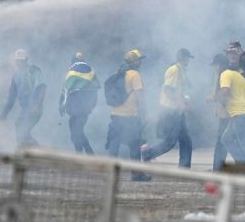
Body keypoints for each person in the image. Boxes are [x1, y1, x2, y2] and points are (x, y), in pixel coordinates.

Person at [142, 49, 194, 169]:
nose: (188, 61)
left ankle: (184, 167)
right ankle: (146, 155)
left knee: (186, 140)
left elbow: (178, 90)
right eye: (187, 58)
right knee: (170, 142)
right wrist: (180, 104)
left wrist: (184, 102)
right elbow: (168, 89)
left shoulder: (180, 71)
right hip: (171, 110)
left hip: (177, 111)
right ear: (183, 58)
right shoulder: (174, 70)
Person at [106, 49, 150, 181]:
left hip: (115, 114)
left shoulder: (118, 72)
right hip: (130, 115)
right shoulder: (135, 75)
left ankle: (110, 173)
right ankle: (137, 174)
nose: (140, 62)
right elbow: (140, 96)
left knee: (115, 143)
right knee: (134, 145)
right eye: (139, 59)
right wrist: (145, 113)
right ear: (134, 61)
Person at [1, 49, 46, 146]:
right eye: (18, 60)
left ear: (26, 60)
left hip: (34, 109)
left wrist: (37, 106)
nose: (20, 62)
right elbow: (11, 97)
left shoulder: (34, 71)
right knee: (19, 129)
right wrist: (4, 113)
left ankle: (36, 150)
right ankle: (25, 152)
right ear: (16, 61)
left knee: (22, 132)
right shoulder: (16, 75)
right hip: (25, 110)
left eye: (22, 60)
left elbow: (42, 88)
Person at [59, 52, 100, 154]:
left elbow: (66, 89)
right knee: (77, 131)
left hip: (76, 107)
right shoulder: (91, 71)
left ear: (73, 61)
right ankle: (87, 153)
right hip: (85, 108)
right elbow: (96, 89)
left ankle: (82, 154)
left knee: (75, 133)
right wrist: (92, 106)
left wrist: (61, 105)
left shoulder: (72, 71)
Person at [208, 54, 231, 171]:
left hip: (227, 114)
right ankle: (218, 168)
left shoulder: (224, 75)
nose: (214, 68)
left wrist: (213, 97)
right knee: (227, 141)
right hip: (224, 114)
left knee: (222, 142)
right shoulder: (222, 75)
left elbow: (225, 92)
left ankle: (217, 169)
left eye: (215, 65)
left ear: (220, 64)